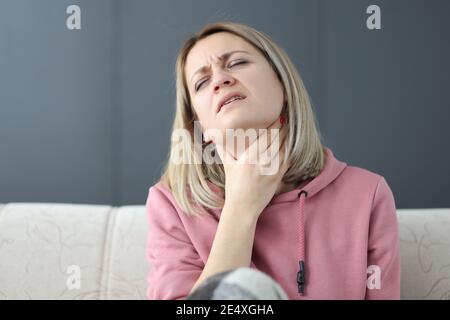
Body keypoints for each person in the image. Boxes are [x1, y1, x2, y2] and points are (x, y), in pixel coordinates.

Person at [145, 21, 400, 300]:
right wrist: (241, 208)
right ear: (200, 126)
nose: (220, 79)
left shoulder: (368, 194)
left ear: (283, 83)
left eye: (237, 62)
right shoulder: (172, 204)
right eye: (202, 82)